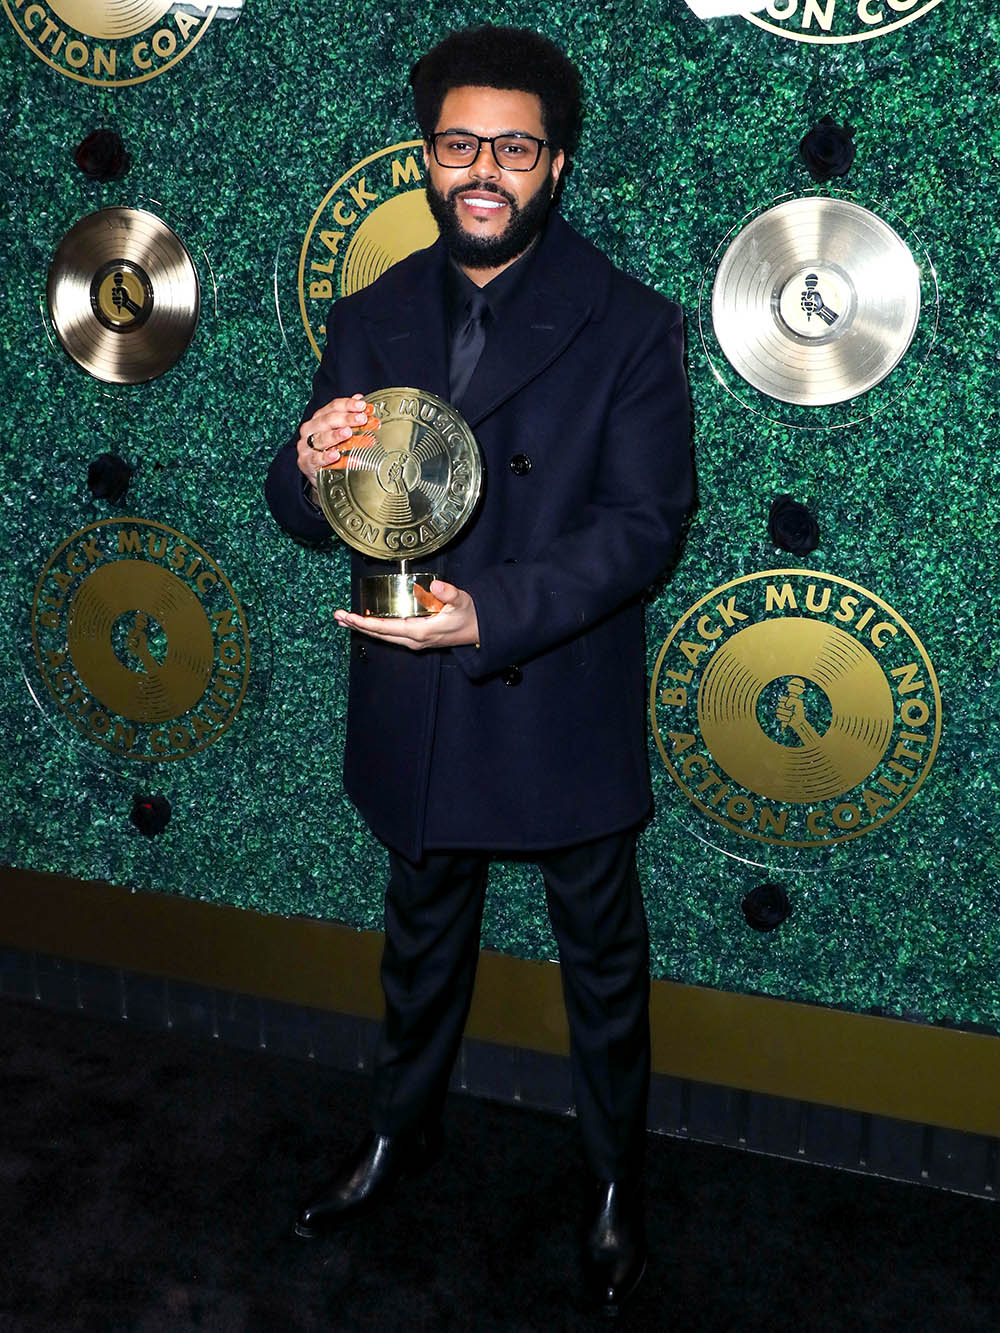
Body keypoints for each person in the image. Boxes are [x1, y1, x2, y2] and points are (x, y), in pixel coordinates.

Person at [265, 24, 692, 1313]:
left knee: (602, 961)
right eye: (459, 144)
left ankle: (615, 1180)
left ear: (554, 163)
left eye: (513, 144)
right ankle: (402, 1132)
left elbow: (643, 524)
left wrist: (490, 613)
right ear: (428, 161)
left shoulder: (629, 322)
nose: (483, 168)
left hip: (544, 683)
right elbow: (305, 508)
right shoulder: (370, 314)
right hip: (416, 696)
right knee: (418, 943)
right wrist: (309, 458)